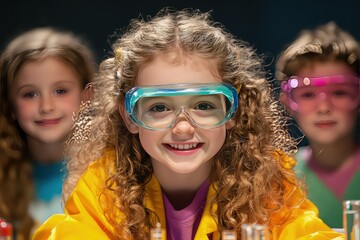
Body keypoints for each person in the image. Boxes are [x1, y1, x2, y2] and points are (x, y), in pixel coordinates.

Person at [33, 9, 344, 239]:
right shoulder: (104, 188)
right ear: (129, 116)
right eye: (158, 107)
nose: (182, 128)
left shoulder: (269, 185)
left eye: (205, 105)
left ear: (233, 111)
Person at [0, 27, 95, 239]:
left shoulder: (110, 175)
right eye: (29, 94)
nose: (46, 106)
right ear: (10, 105)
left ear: (87, 95)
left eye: (60, 91)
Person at [276, 21, 360, 228]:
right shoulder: (278, 178)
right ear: (287, 102)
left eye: (339, 92)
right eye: (308, 94)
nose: (323, 107)